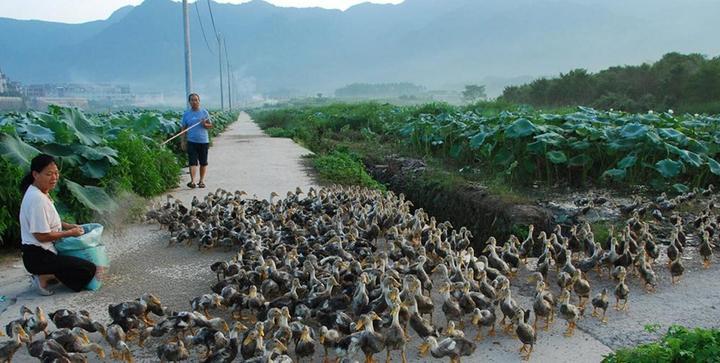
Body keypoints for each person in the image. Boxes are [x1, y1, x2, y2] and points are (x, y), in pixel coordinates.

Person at [19, 154, 97, 295]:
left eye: (56, 173)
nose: (54, 177)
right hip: (38, 257)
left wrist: (68, 226)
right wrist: (70, 233)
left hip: (40, 253)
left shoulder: (40, 193)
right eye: (49, 174)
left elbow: (47, 221)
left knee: (80, 262)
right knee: (88, 269)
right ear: (35, 174)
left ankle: (50, 274)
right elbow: (41, 236)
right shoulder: (37, 199)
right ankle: (44, 276)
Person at [181, 93, 213, 188]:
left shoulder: (204, 112)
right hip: (191, 141)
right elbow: (183, 128)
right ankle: (192, 181)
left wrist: (204, 124)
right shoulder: (186, 114)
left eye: (196, 100)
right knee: (192, 162)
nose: (194, 102)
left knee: (203, 162)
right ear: (189, 102)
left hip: (203, 141)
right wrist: (183, 141)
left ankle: (201, 181)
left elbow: (210, 125)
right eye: (192, 100)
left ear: (199, 101)